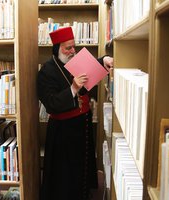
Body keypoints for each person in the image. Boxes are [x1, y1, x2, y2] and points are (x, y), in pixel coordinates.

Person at [37, 27, 113, 200]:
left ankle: (83, 192)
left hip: (82, 124)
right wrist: (73, 88)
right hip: (63, 132)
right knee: (65, 173)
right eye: (67, 48)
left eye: (73, 47)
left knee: (83, 165)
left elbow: (92, 66)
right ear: (57, 49)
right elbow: (51, 103)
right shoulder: (46, 72)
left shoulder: (74, 61)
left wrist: (104, 60)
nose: (72, 51)